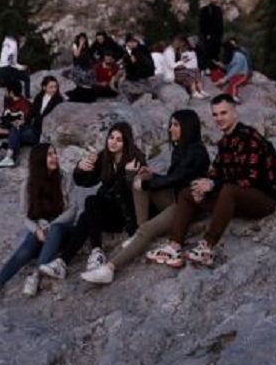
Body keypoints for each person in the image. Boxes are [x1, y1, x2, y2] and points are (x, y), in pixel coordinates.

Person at [147, 94, 276, 268]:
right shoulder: (224, 142)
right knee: (187, 192)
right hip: (233, 200)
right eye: (215, 114)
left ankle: (207, 248)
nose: (219, 118)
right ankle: (174, 246)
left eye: (224, 113)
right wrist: (204, 188)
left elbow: (249, 179)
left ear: (235, 113)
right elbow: (215, 172)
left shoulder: (250, 138)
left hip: (264, 199)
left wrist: (214, 184)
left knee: (229, 189)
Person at [81, 109, 210, 285]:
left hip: (186, 207)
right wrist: (150, 176)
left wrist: (150, 183)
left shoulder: (197, 152)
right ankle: (138, 232)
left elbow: (179, 177)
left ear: (187, 127)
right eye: (171, 124)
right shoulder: (180, 149)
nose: (170, 129)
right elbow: (173, 180)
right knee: (140, 178)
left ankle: (110, 268)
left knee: (147, 227)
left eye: (176, 125)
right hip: (175, 198)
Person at [0, 143, 78, 305]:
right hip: (42, 231)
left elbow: (73, 210)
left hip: (63, 230)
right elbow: (25, 216)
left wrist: (50, 227)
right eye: (50, 155)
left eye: (55, 153)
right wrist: (37, 230)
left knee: (56, 229)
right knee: (27, 246)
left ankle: (36, 275)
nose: (55, 157)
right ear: (39, 160)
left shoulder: (65, 178)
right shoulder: (28, 185)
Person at [49, 122, 147, 275]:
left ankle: (96, 252)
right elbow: (86, 182)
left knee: (90, 202)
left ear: (126, 142)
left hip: (125, 215)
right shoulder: (104, 157)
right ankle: (63, 262)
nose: (113, 142)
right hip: (105, 211)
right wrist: (80, 169)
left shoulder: (136, 159)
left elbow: (130, 192)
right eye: (111, 137)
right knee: (86, 215)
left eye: (119, 139)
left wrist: (126, 174)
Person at [24, 76, 64, 145]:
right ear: (44, 87)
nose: (54, 89)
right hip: (33, 127)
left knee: (22, 134)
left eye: (55, 87)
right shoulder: (39, 97)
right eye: (51, 87)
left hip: (43, 131)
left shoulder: (58, 100)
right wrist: (24, 122)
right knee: (16, 129)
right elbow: (32, 112)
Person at [118, 34, 157, 101]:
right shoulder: (141, 49)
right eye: (129, 43)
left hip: (141, 77)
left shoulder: (137, 51)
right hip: (145, 74)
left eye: (132, 42)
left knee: (123, 86)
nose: (129, 45)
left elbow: (136, 64)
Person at [0, 31, 30, 98]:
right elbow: (10, 60)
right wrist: (20, 67)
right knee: (26, 79)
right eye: (23, 40)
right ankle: (27, 97)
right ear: (20, 38)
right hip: (7, 69)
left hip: (1, 69)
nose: (24, 43)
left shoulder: (6, 43)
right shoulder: (13, 45)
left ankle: (8, 100)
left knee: (9, 86)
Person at [198, 0, 224, 70]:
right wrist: (206, 34)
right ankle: (207, 68)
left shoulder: (219, 9)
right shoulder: (206, 9)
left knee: (215, 52)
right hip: (209, 36)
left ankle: (214, 69)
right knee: (208, 52)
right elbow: (202, 23)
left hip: (217, 36)